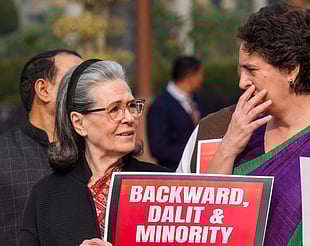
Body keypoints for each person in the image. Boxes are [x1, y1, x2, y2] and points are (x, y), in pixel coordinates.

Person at [186, 3, 310, 245]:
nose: (242, 82)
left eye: (251, 70)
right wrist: (228, 148)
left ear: (291, 70)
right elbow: (209, 222)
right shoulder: (242, 132)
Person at [18, 59, 170, 246]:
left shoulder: (164, 185)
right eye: (114, 109)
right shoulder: (47, 196)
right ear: (79, 123)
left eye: (131, 106)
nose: (129, 118)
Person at [0, 49, 82, 245]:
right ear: (43, 90)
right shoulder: (4, 156)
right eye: (76, 79)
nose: (89, 87)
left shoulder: (96, 153)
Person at [147, 55, 204, 170]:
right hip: (173, 173)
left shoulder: (196, 100)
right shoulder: (160, 106)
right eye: (200, 74)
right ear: (190, 75)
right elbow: (158, 148)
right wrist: (193, 154)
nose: (202, 79)